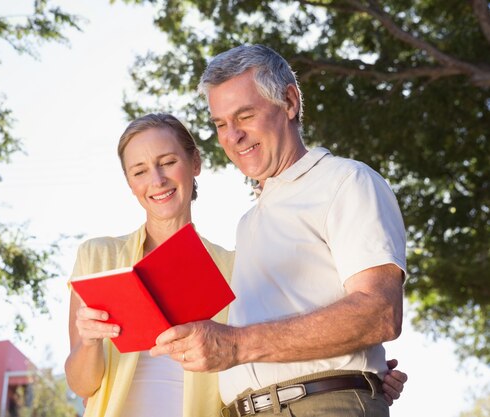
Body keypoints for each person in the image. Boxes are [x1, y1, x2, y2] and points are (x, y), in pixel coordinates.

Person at [64, 113, 407, 417]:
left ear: (194, 163)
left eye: (167, 162)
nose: (156, 180)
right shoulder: (99, 258)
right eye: (139, 171)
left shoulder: (234, 267)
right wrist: (91, 342)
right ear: (130, 183)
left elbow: (269, 344)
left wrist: (365, 371)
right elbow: (82, 385)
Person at [150, 44, 407, 417]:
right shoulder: (249, 223)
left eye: (245, 115)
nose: (232, 136)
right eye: (221, 124)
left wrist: (236, 346)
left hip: (318, 406)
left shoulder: (346, 181)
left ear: (289, 102)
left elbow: (380, 312)